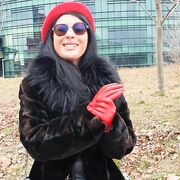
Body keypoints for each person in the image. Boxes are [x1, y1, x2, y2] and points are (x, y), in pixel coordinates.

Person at [18, 2, 136, 180]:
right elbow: (34, 142)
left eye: (79, 28)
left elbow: (124, 148)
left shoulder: (106, 80)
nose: (70, 34)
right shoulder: (34, 83)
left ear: (88, 36)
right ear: (52, 38)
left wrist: (112, 123)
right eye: (61, 29)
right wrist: (90, 118)